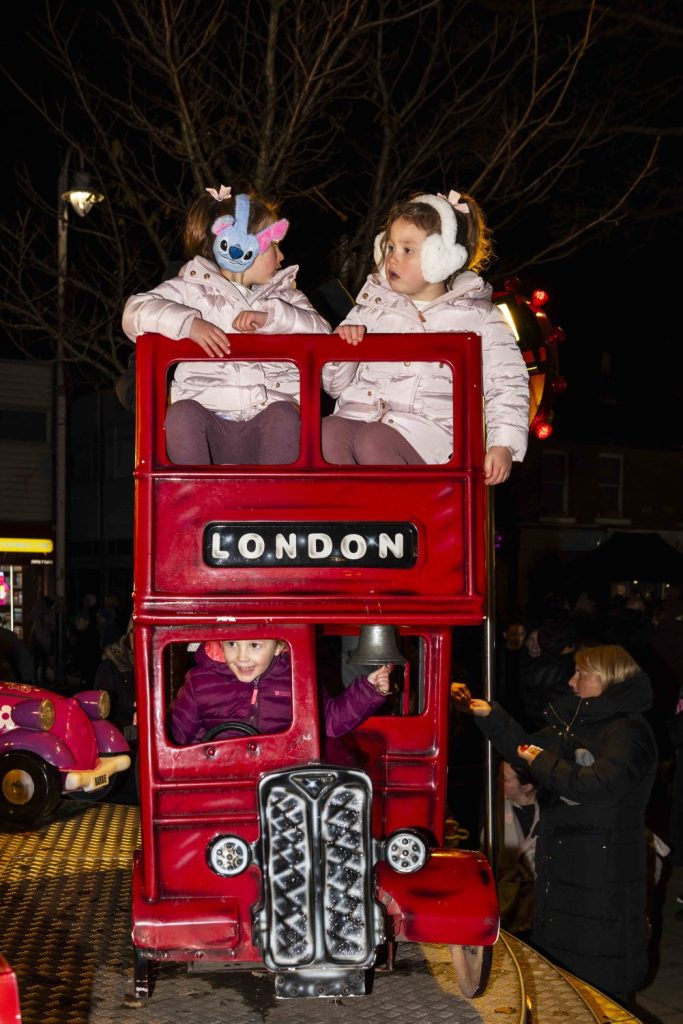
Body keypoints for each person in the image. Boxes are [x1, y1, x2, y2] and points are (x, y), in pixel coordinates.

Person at [457, 645, 658, 1005]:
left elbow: (596, 786)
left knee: (601, 964)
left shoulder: (628, 732)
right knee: (566, 964)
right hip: (567, 862)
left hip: (604, 866)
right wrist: (490, 715)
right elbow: (526, 750)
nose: (571, 680)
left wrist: (539, 757)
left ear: (607, 677)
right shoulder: (576, 723)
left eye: (582, 674)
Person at [321, 189, 529, 482]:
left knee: (373, 440)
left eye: (408, 250)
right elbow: (333, 384)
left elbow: (507, 383)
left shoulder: (480, 318)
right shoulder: (370, 309)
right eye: (390, 247)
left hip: (429, 437)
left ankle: (397, 520)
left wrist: (503, 444)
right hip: (361, 417)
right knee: (325, 434)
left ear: (442, 259)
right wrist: (342, 347)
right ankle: (348, 518)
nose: (392, 258)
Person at [122, 185, 331, 465]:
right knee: (181, 415)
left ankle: (277, 502)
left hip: (267, 427)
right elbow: (134, 311)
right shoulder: (190, 291)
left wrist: (276, 318)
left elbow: (324, 337)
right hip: (211, 428)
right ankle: (195, 501)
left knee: (284, 416)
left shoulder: (288, 297)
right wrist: (189, 324)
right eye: (274, 246)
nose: (282, 257)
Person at [171, 638, 392, 745]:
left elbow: (330, 722)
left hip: (279, 781)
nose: (241, 656)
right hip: (215, 779)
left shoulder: (297, 678)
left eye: (254, 645)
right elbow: (177, 735)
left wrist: (369, 689)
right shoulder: (199, 681)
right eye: (232, 644)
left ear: (278, 647)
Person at [496, 760, 539, 937]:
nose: (499, 781)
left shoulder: (551, 814)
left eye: (505, 779)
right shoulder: (495, 811)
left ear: (527, 787)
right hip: (508, 907)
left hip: (541, 907)